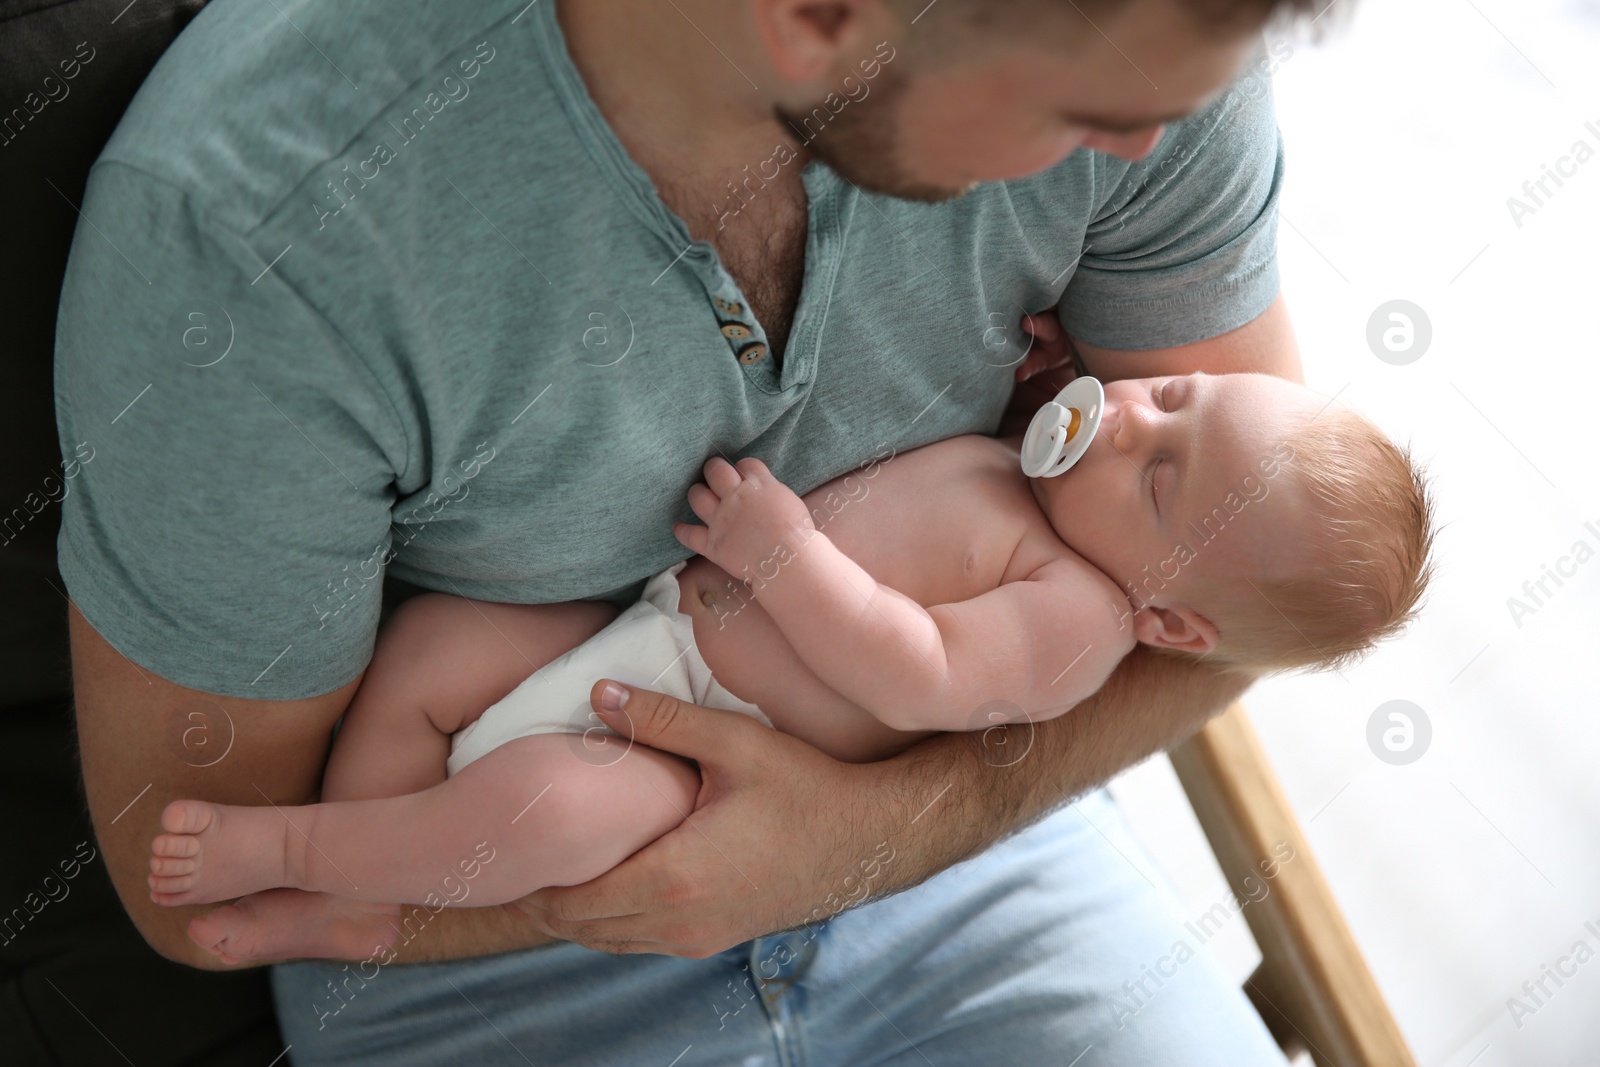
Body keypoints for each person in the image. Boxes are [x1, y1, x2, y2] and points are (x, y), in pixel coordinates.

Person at [55, 0, 1338, 1061]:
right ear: (816, 18)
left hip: (961, 851)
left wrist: (852, 841)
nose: (1140, 149)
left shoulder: (1144, 43)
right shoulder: (255, 246)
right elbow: (214, 891)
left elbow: (1235, 618)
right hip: (476, 915)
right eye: (1084, 117)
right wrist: (687, 862)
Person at [147, 368, 1434, 969]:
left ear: (1175, 625)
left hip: (693, 748)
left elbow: (919, 672)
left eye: (1159, 475)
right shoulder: (1048, 480)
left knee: (549, 806)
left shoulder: (1078, 615)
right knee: (434, 646)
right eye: (1178, 395)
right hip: (644, 628)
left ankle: (312, 869)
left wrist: (785, 556)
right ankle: (385, 868)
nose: (1129, 419)